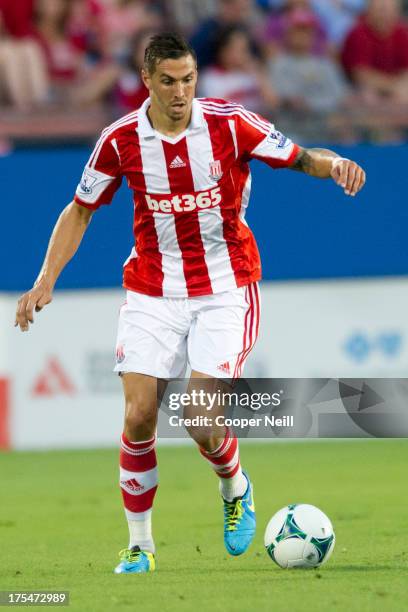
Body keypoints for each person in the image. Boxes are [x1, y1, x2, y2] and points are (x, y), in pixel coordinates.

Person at [15, 32, 366, 575]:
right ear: (148, 81)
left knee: (200, 417)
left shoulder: (230, 123)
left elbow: (299, 157)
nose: (181, 92)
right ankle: (140, 546)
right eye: (169, 82)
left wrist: (334, 162)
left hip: (226, 288)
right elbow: (80, 209)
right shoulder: (120, 140)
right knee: (138, 415)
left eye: (189, 80)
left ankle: (234, 487)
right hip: (152, 288)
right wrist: (44, 280)